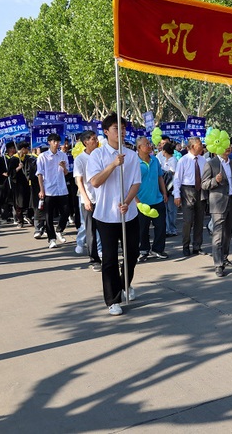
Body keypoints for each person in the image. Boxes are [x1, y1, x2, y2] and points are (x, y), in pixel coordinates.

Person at [87, 113, 142, 316]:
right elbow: (95, 182)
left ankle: (124, 283)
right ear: (106, 132)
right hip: (106, 215)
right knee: (109, 259)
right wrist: (113, 164)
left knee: (132, 254)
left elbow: (136, 182)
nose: (121, 132)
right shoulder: (97, 155)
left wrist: (127, 202)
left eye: (124, 128)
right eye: (116, 128)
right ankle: (113, 299)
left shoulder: (132, 155)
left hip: (128, 214)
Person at [202, 139, 232, 277]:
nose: (228, 148)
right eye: (225, 146)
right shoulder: (211, 164)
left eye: (229, 146)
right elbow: (204, 184)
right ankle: (218, 264)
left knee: (227, 234)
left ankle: (224, 257)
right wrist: (215, 180)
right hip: (218, 203)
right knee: (218, 235)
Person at [135, 136, 168, 260]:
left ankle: (158, 249)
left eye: (149, 143)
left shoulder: (155, 160)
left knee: (161, 226)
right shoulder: (134, 162)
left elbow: (160, 177)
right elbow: (129, 183)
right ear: (139, 147)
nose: (150, 146)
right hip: (141, 201)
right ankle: (143, 250)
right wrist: (136, 201)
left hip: (157, 199)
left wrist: (164, 193)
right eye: (147, 144)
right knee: (142, 229)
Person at [173, 137, 207, 257]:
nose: (202, 146)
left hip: (201, 190)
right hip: (187, 190)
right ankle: (185, 245)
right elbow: (177, 179)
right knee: (188, 220)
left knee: (199, 220)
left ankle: (197, 246)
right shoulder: (183, 160)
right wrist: (176, 195)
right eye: (199, 144)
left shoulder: (203, 160)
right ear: (192, 147)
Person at [36, 133, 70, 249]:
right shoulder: (43, 156)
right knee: (49, 216)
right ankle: (51, 239)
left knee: (66, 212)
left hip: (62, 189)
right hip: (49, 189)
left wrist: (63, 167)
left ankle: (59, 230)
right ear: (49, 142)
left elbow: (66, 173)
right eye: (54, 141)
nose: (56, 144)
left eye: (58, 142)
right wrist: (42, 190)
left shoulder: (63, 155)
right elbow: (39, 174)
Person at [73, 130, 101, 271]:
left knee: (104, 229)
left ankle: (104, 253)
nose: (96, 141)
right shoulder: (80, 159)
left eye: (96, 138)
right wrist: (86, 199)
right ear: (86, 142)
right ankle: (94, 259)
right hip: (89, 199)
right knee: (91, 230)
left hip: (102, 198)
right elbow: (79, 181)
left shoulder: (100, 155)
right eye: (93, 139)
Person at [7, 141, 32, 227]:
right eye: (27, 148)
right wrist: (18, 168)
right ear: (23, 149)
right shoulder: (13, 159)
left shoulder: (28, 158)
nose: (28, 150)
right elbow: (10, 173)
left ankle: (29, 217)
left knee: (29, 201)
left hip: (27, 183)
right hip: (18, 184)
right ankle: (20, 221)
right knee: (19, 203)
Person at [158, 142, 179, 237]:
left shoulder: (173, 160)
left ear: (165, 151)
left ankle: (172, 229)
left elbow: (174, 175)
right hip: (164, 188)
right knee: (166, 210)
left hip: (171, 188)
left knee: (171, 210)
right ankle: (167, 229)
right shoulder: (164, 160)